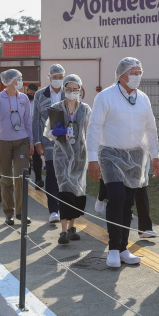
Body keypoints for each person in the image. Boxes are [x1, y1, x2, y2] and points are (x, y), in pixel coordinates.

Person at [86, 57, 159, 269]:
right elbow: (94, 128)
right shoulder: (105, 96)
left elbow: (151, 129)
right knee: (117, 198)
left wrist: (155, 156)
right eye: (133, 72)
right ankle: (113, 248)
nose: (137, 76)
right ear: (121, 75)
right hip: (110, 153)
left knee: (128, 202)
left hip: (136, 156)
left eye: (139, 72)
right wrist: (92, 159)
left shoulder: (143, 98)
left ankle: (122, 248)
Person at [43, 74, 91, 244]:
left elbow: (90, 132)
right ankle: (63, 231)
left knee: (76, 190)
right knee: (64, 190)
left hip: (80, 155)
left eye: (75, 89)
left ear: (80, 90)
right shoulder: (56, 108)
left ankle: (72, 226)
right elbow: (47, 132)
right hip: (61, 155)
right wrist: (54, 133)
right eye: (68, 89)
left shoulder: (85, 109)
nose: (72, 92)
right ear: (64, 89)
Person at [0, 69, 35, 226]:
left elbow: (28, 122)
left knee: (21, 177)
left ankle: (21, 213)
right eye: (18, 78)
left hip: (22, 142)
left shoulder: (24, 98)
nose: (20, 81)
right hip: (3, 142)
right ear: (9, 81)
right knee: (6, 179)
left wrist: (31, 142)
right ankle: (9, 213)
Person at [33, 64, 65, 223]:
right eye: (55, 77)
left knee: (64, 175)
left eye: (60, 77)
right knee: (52, 172)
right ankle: (53, 210)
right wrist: (37, 141)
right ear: (50, 78)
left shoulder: (69, 92)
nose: (58, 80)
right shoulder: (40, 95)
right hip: (48, 141)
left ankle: (64, 208)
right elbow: (36, 119)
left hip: (66, 141)